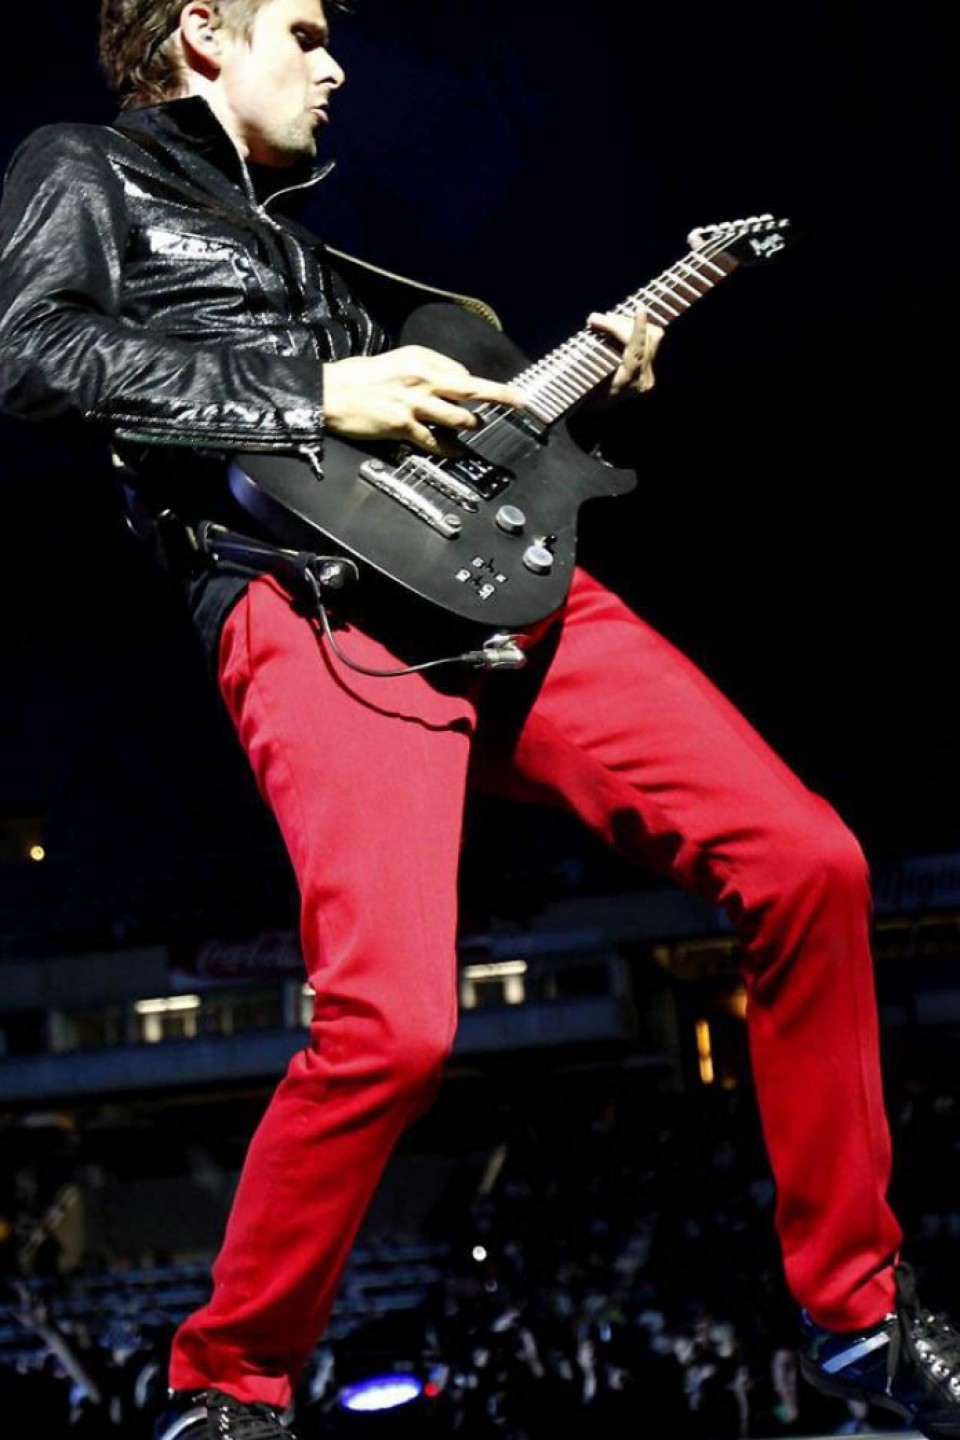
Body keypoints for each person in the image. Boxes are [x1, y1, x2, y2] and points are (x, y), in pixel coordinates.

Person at [1, 2, 959, 1438]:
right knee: (392, 1026)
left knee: (808, 861)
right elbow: (32, 354)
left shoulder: (323, 256)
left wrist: (571, 390)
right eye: (302, 29)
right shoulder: (84, 167)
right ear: (202, 28)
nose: (336, 64)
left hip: (490, 582)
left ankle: (860, 1316)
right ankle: (228, 1391)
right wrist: (312, 389)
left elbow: (461, 423)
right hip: (309, 603)